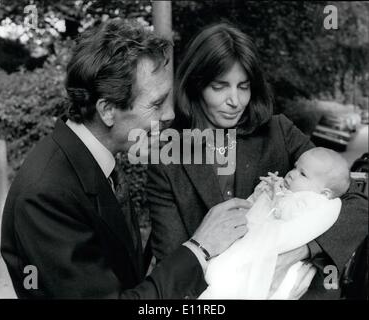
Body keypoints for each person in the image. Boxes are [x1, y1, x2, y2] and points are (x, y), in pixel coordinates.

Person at [0, 19, 249, 299]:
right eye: (155, 104)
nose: (167, 115)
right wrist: (199, 248)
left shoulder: (93, 159)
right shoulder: (47, 194)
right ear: (107, 110)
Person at [147, 23, 368, 299]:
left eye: (244, 86)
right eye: (220, 87)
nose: (236, 101)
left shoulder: (279, 132)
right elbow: (174, 260)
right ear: (196, 85)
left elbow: (357, 201)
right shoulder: (168, 154)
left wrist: (296, 253)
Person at [199, 147, 350, 299]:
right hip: (257, 245)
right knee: (228, 273)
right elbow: (256, 209)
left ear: (324, 193)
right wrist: (264, 192)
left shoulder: (316, 203)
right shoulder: (296, 194)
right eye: (295, 167)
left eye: (302, 174)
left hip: (283, 260)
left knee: (254, 284)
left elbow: (289, 213)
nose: (291, 174)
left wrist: (278, 194)